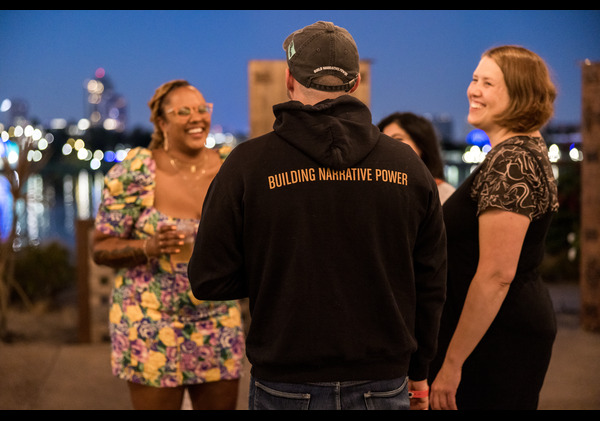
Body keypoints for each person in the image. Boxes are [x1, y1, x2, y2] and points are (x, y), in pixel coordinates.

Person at [188, 21, 446, 410]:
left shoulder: (247, 165)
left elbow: (208, 278)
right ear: (355, 83)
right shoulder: (407, 166)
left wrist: (280, 273)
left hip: (286, 381)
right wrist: (420, 371)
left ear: (289, 80)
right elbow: (431, 279)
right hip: (384, 380)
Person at [92, 80, 245, 410]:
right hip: (149, 323)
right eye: (183, 111)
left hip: (216, 320)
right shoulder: (136, 171)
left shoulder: (230, 168)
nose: (197, 117)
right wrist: (147, 246)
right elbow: (100, 247)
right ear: (162, 122)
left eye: (202, 109)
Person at [428, 45, 559, 410]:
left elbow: (496, 275)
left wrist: (452, 365)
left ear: (521, 95)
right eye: (474, 79)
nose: (473, 90)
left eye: (488, 83)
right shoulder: (521, 150)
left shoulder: (512, 160)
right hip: (501, 331)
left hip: (497, 339)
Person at [377, 112, 455, 203]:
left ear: (421, 145)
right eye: (384, 141)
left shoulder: (444, 194)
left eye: (398, 139)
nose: (389, 146)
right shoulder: (377, 190)